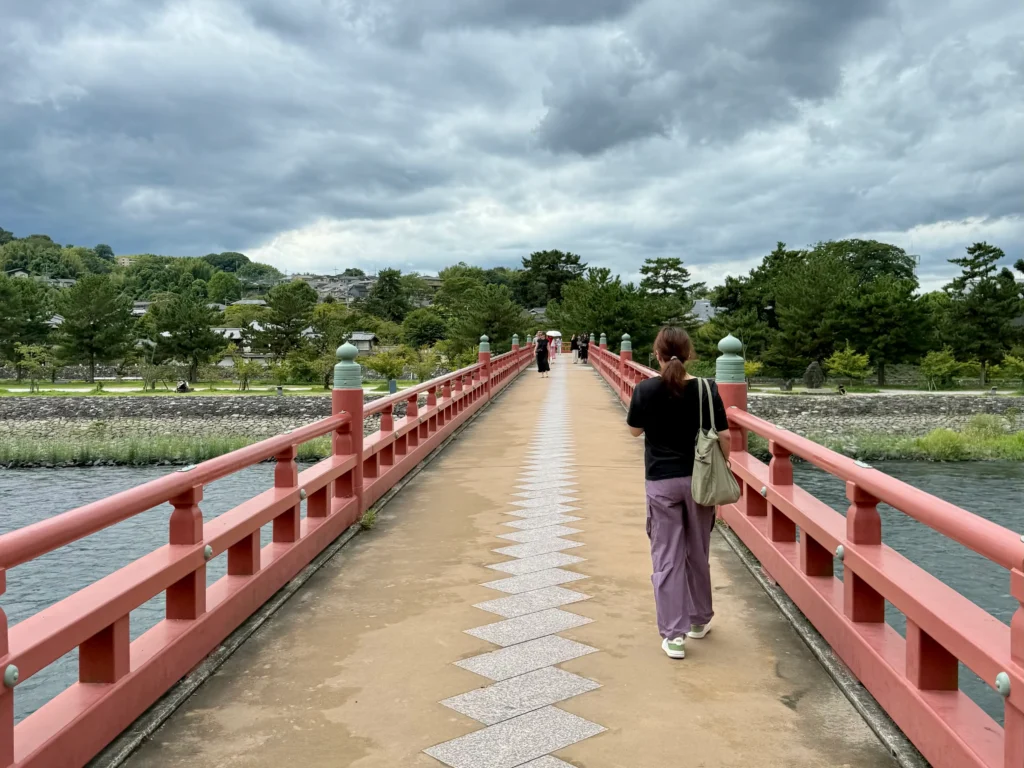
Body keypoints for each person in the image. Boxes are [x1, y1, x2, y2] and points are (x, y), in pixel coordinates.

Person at [626, 326, 731, 660]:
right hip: (700, 481)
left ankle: (674, 635)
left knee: (666, 556)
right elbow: (725, 437)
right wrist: (723, 467)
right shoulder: (706, 389)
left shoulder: (645, 390)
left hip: (661, 482)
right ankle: (699, 620)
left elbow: (633, 431)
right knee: (697, 550)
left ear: (657, 355)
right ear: (689, 354)